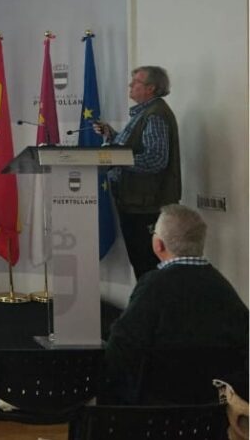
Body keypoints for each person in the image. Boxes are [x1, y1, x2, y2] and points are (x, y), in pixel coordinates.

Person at [104, 204, 249, 403]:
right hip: (216, 410)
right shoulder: (223, 288)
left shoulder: (152, 286)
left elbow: (121, 347)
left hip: (156, 410)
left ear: (158, 244)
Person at [94, 66, 181, 280]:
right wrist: (111, 135)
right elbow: (134, 149)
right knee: (141, 264)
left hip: (146, 205)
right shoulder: (145, 112)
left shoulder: (155, 115)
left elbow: (155, 159)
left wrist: (114, 158)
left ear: (151, 88)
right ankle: (147, 300)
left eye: (136, 82)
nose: (130, 86)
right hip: (136, 201)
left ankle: (151, 302)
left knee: (147, 265)